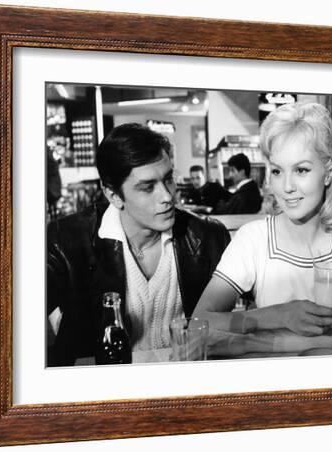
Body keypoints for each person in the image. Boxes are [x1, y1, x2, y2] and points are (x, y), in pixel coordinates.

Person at [193, 102, 332, 356]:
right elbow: (199, 321)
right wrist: (278, 315)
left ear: (329, 173)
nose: (286, 186)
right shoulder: (253, 237)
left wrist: (245, 342)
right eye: (277, 171)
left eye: (301, 170)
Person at [47, 123, 230, 366]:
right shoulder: (66, 242)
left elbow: (234, 322)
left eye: (168, 180)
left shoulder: (208, 237)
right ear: (113, 195)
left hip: (186, 382)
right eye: (148, 187)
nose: (167, 196)